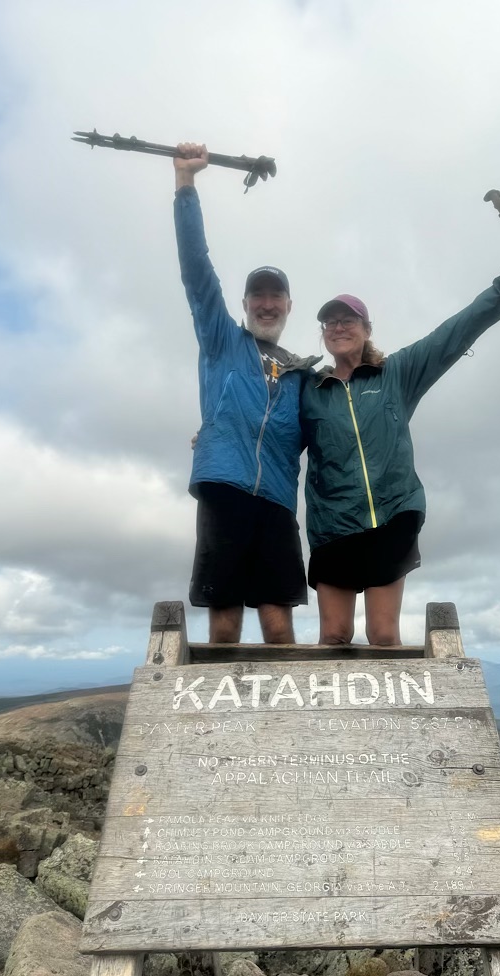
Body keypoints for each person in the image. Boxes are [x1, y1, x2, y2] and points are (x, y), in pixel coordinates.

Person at [301, 240, 500, 646]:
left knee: (382, 635)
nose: (339, 328)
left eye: (349, 320)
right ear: (324, 334)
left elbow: (456, 331)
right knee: (334, 636)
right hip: (332, 523)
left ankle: (388, 714)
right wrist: (215, 436)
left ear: (366, 329)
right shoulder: (308, 390)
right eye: (331, 322)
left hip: (392, 515)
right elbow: (270, 430)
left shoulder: (396, 373)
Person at [173, 142, 319, 644]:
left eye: (275, 295)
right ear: (244, 303)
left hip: (278, 501)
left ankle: (287, 722)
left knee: (280, 622)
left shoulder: (301, 373)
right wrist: (186, 184)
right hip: (225, 489)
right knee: (224, 619)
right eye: (258, 294)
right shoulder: (221, 339)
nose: (266, 302)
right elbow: (197, 271)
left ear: (288, 305)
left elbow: (324, 433)